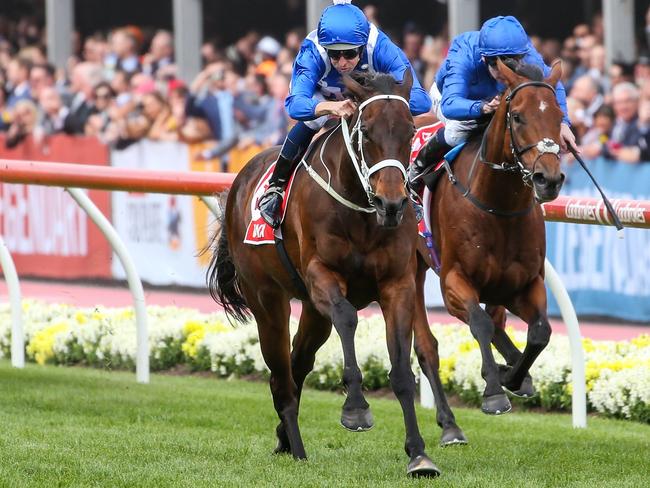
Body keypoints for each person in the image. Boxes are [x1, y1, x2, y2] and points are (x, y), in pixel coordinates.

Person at [257, 0, 431, 229]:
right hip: (323, 95)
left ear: (362, 45)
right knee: (312, 121)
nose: (342, 63)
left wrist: (374, 104)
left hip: (367, 97)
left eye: (349, 54)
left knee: (388, 124)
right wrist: (329, 108)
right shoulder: (313, 50)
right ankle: (276, 187)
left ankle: (404, 187)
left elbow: (421, 100)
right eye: (334, 55)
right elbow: (294, 105)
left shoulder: (380, 45)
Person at [408, 16, 577, 193]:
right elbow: (450, 105)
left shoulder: (527, 55)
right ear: (483, 58)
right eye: (496, 65)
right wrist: (482, 108)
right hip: (451, 97)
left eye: (511, 64)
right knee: (457, 133)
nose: (504, 73)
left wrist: (564, 123)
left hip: (498, 97)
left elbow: (553, 85)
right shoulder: (463, 55)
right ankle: (418, 168)